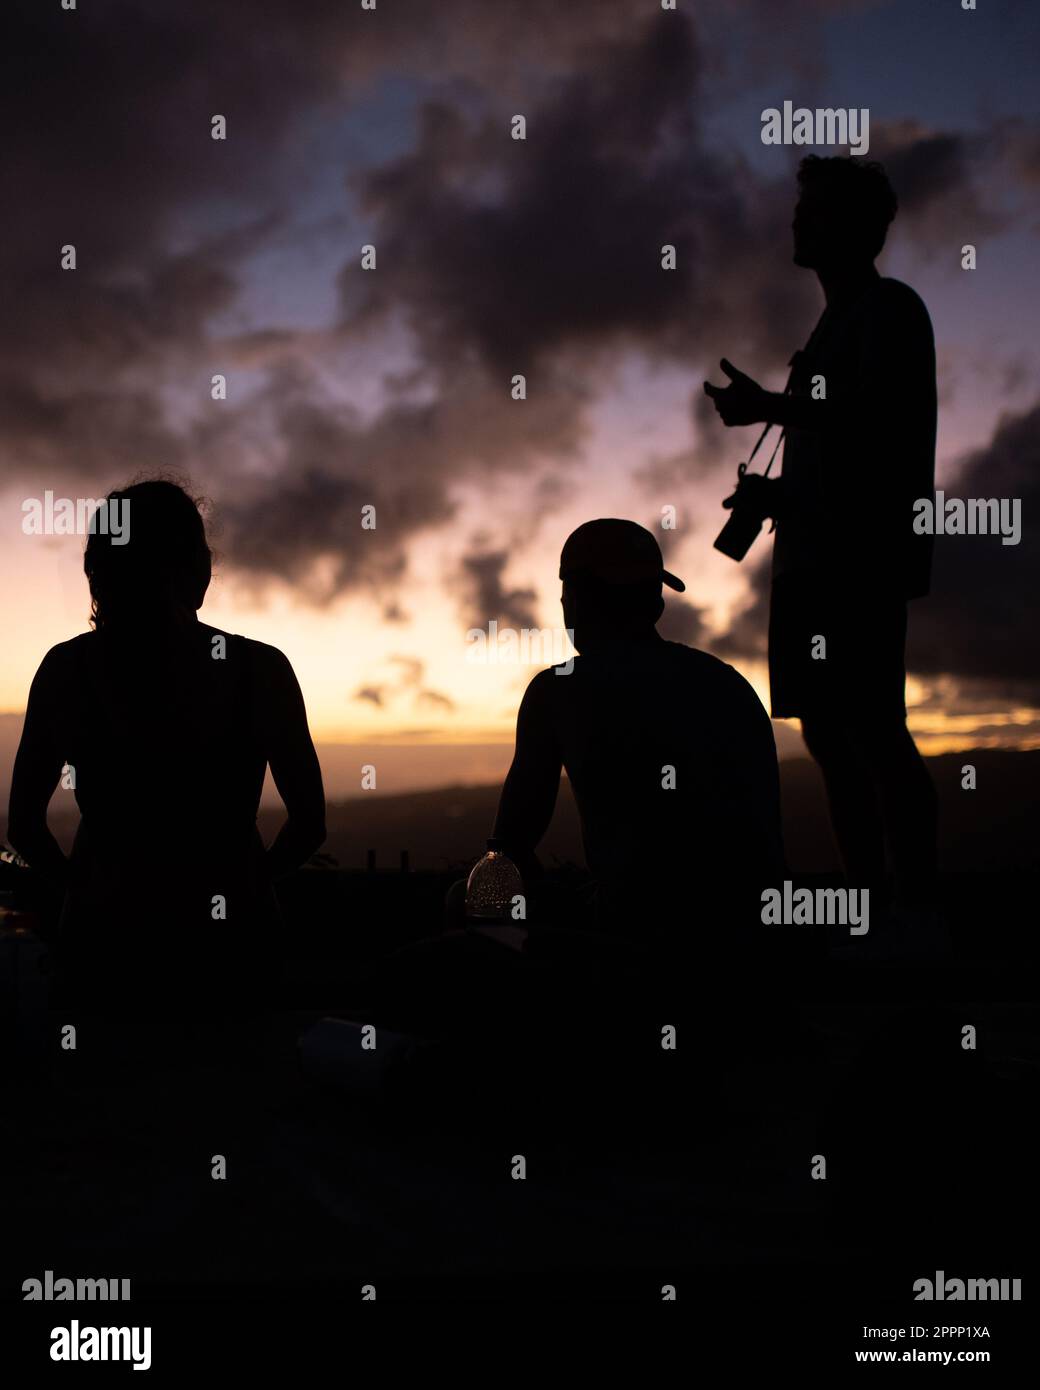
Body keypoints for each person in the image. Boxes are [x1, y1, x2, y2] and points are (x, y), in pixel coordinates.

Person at [704, 154, 939, 919]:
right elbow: (844, 449)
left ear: (860, 227)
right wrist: (778, 493)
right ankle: (876, 910)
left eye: (818, 211)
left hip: (859, 559)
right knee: (833, 738)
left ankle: (913, 914)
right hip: (812, 555)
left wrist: (768, 405)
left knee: (871, 730)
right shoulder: (837, 321)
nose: (799, 221)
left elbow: (879, 421)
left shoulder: (888, 308)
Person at [7, 478, 326, 1017]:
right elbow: (309, 824)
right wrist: (245, 879)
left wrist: (81, 891)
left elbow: (24, 827)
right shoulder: (259, 670)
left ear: (98, 571)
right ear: (197, 568)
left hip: (106, 947)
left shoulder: (68, 671)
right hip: (233, 951)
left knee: (105, 1092)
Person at [489, 517, 786, 962]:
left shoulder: (558, 691)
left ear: (576, 601)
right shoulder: (727, 684)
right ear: (656, 604)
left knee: (468, 904)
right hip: (752, 941)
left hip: (632, 938)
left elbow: (509, 850)